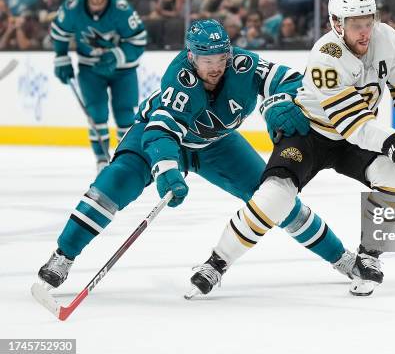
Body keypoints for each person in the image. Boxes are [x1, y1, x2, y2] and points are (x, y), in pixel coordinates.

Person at [37, 19, 356, 293]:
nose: (215, 66)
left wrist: (283, 99)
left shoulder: (243, 64)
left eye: (221, 57)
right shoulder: (179, 79)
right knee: (114, 182)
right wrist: (167, 172)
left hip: (216, 144)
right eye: (206, 59)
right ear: (191, 56)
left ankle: (340, 256)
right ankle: (64, 254)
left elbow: (293, 80)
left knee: (275, 196)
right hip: (159, 137)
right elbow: (162, 133)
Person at [192, 0, 395, 297]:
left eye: (368, 21)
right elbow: (353, 123)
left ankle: (368, 257)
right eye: (355, 24)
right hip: (311, 134)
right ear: (337, 24)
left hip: (353, 138)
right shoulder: (326, 55)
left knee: (390, 176)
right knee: (274, 197)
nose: (364, 32)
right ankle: (216, 263)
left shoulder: (387, 38)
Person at [50, 0, 147, 171]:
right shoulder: (72, 8)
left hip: (123, 71)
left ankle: (127, 158)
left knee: (125, 116)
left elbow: (139, 39)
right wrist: (61, 57)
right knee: (96, 114)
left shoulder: (121, 8)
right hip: (91, 69)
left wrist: (116, 55)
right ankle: (102, 160)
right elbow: (59, 32)